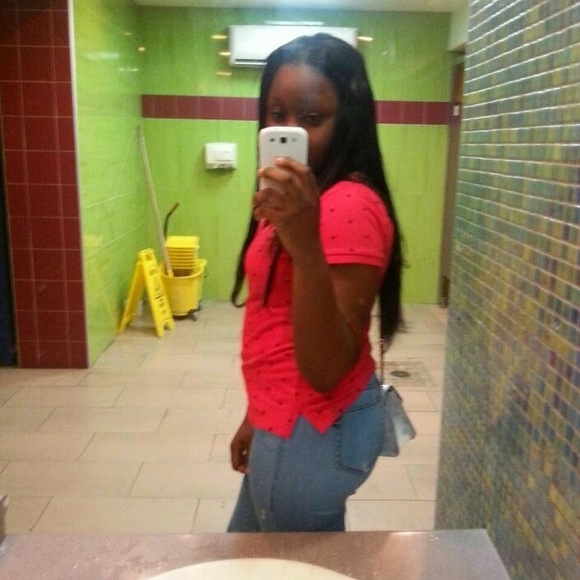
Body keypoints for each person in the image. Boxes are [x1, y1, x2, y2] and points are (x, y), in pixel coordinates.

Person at [228, 33, 404, 533]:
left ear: (347, 120)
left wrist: (305, 244)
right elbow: (277, 322)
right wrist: (257, 414)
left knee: (285, 564)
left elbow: (326, 369)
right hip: (287, 418)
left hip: (311, 428)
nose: (290, 131)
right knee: (252, 560)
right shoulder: (305, 199)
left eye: (311, 117)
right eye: (276, 113)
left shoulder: (346, 204)